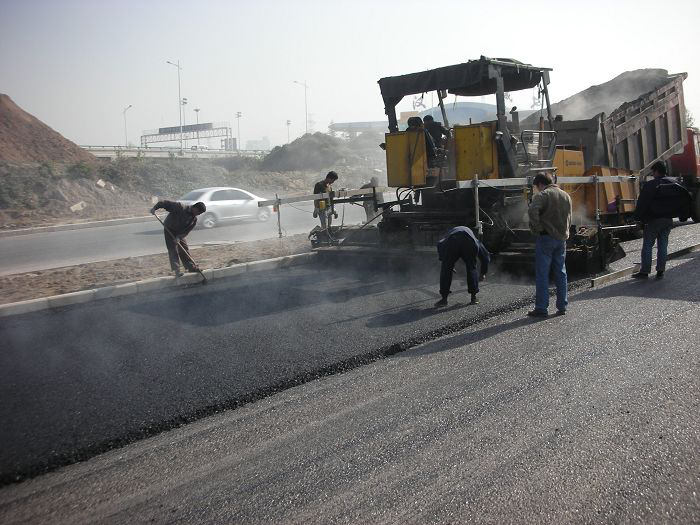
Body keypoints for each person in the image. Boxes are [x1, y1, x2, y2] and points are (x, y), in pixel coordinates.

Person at [632, 161, 692, 279]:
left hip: (654, 220)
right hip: (668, 220)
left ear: (656, 171)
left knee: (648, 245)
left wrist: (637, 217)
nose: (653, 175)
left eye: (653, 172)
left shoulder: (651, 185)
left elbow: (643, 203)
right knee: (663, 245)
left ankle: (645, 271)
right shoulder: (674, 184)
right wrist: (683, 216)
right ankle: (661, 270)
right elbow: (685, 199)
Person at [527, 172, 573, 317]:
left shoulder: (543, 195)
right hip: (561, 239)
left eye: (537, 187)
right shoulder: (566, 195)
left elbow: (532, 211)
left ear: (541, 184)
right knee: (561, 272)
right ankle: (562, 306)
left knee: (542, 273)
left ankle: (541, 307)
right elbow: (569, 218)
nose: (538, 189)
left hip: (546, 238)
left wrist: (538, 228)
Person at [435, 226, 490, 307]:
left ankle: (444, 300)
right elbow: (485, 257)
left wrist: (446, 262)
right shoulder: (474, 239)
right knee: (471, 267)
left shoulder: (449, 234)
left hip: (452, 242)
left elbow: (440, 244)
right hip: (469, 243)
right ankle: (473, 298)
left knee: (445, 270)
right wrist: (483, 273)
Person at [150, 200, 206, 277]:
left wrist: (179, 237)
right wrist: (154, 208)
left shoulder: (193, 220)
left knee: (184, 248)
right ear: (195, 208)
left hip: (179, 233)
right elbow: (164, 203)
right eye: (199, 212)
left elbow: (186, 231)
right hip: (169, 228)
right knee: (173, 249)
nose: (198, 214)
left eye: (200, 214)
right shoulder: (180, 207)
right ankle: (177, 270)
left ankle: (191, 267)